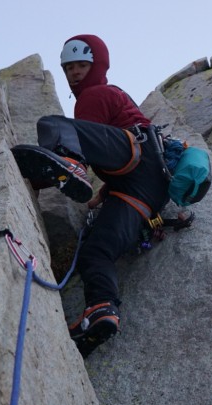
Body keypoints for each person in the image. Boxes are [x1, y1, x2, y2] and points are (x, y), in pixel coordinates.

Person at [35, 34, 170, 357]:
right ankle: (101, 310)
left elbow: (97, 140)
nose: (75, 73)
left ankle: (69, 162)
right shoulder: (112, 96)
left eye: (82, 65)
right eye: (69, 68)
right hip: (143, 191)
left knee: (54, 126)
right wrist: (105, 191)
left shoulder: (96, 94)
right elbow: (113, 152)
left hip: (138, 160)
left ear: (98, 66)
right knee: (96, 251)